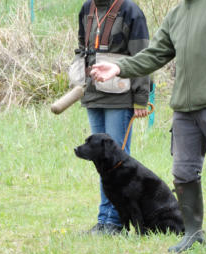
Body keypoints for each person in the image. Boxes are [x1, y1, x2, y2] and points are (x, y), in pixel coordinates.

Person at [90, 0, 206, 251]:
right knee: (183, 173)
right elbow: (154, 54)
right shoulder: (176, 14)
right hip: (184, 109)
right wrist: (119, 67)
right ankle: (193, 234)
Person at [76, 0, 151, 235]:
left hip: (120, 97)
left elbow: (143, 55)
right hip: (93, 95)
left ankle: (114, 222)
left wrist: (140, 97)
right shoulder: (87, 8)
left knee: (117, 162)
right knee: (101, 162)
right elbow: (82, 47)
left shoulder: (131, 10)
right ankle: (104, 219)